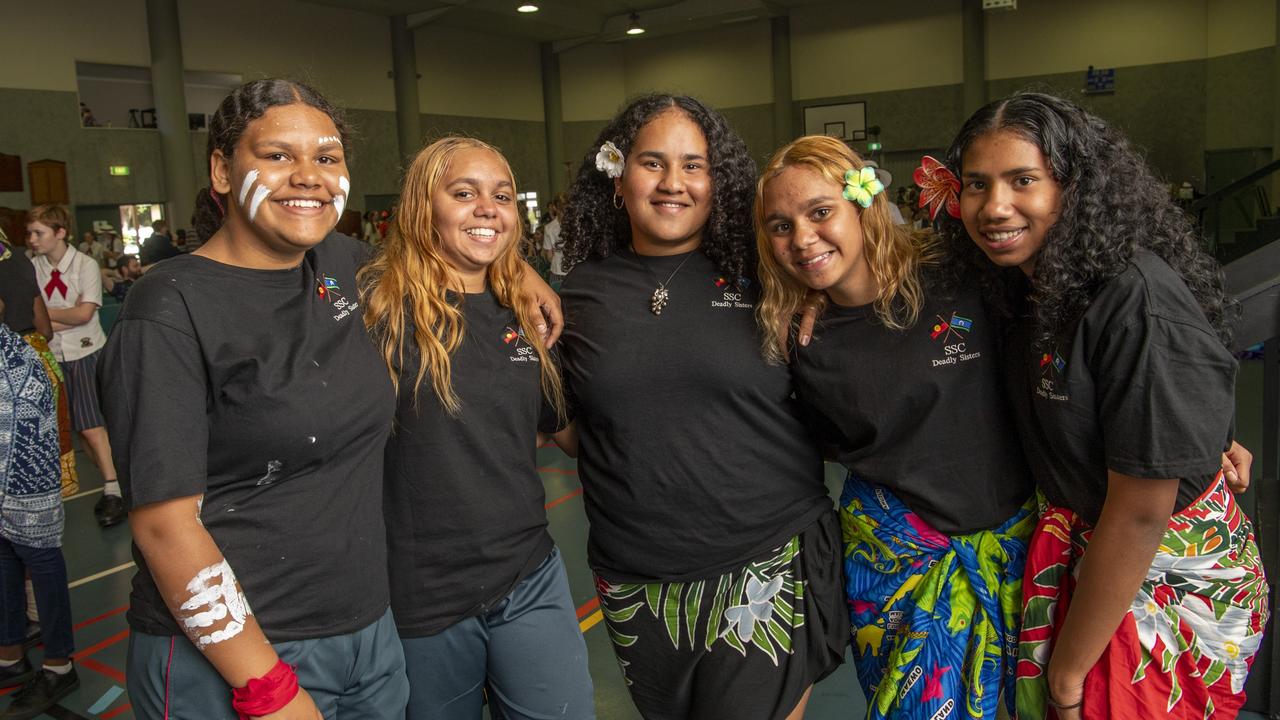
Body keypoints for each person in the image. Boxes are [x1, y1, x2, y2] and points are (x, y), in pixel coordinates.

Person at [943, 92, 1269, 719]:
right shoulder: (1025, 287)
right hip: (1092, 561)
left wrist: (1068, 675)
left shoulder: (1132, 299)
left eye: (1023, 181)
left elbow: (1142, 514)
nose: (994, 207)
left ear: (1075, 188)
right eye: (976, 185)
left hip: (1159, 578)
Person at [100, 78, 411, 720]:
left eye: (326, 157)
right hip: (238, 657)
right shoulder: (169, 305)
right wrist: (265, 685)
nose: (308, 177)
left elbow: (448, 256)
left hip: (365, 636)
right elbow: (163, 525)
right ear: (222, 170)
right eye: (277, 156)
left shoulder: (342, 262)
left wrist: (520, 275)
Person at [556, 94, 847, 720]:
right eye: (652, 163)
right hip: (635, 577)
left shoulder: (771, 276)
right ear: (618, 174)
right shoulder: (577, 293)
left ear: (721, 182)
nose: (672, 183)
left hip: (762, 560)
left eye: (695, 165)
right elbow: (571, 423)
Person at [754, 134, 1036, 719]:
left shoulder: (960, 272)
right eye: (780, 225)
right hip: (897, 564)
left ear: (864, 204)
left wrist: (1200, 433)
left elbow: (1073, 352)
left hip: (1013, 543)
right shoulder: (797, 337)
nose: (802, 239)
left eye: (821, 211)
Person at [362, 137, 594, 720]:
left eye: (502, 196)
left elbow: (563, 430)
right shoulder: (377, 313)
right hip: (420, 597)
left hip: (526, 576)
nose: (488, 208)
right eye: (463, 193)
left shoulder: (525, 314)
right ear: (423, 207)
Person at [0, 272, 79, 718]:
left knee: (39, 554)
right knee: (4, 556)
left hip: (23, 456)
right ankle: (10, 654)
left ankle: (59, 662)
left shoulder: (19, 362)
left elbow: (40, 325)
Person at [25, 205, 124, 527]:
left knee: (92, 425)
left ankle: (114, 490)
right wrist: (59, 315)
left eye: (38, 232)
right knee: (79, 430)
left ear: (60, 233)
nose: (32, 238)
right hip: (52, 354)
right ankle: (114, 482)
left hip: (85, 352)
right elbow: (34, 316)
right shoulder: (31, 267)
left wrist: (46, 316)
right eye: (30, 233)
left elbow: (84, 315)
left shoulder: (85, 265)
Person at [540, 192, 568, 286]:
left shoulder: (549, 227)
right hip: (570, 271)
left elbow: (549, 255)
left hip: (557, 271)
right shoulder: (577, 225)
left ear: (554, 207)